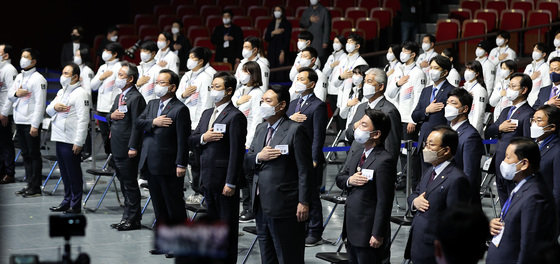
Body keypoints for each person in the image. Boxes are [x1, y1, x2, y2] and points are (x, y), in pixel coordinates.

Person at [245, 85, 312, 264]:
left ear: (281, 105)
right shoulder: (260, 128)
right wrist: (260, 156)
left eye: (267, 101)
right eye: (261, 101)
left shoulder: (295, 130)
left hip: (285, 206)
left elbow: (305, 170)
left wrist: (304, 202)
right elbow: (248, 160)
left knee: (288, 256)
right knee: (267, 257)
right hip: (260, 204)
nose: (262, 105)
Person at [189, 72, 247, 264]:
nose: (213, 90)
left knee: (226, 226)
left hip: (224, 181)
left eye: (217, 87)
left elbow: (236, 152)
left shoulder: (235, 116)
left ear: (229, 91)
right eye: (212, 86)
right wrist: (204, 137)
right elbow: (193, 139)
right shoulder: (207, 113)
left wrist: (231, 181)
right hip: (207, 177)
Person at [137, 69, 190, 255]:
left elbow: (183, 140)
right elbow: (138, 121)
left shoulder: (180, 109)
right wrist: (154, 122)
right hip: (151, 163)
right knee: (159, 206)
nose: (157, 85)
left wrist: (181, 164)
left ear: (172, 87)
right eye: (157, 82)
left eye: (162, 82)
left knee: (173, 206)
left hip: (169, 165)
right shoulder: (152, 104)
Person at [335, 109, 396, 263]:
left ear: (376, 134)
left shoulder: (384, 160)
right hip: (351, 229)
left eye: (363, 125)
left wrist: (377, 233)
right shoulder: (358, 154)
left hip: (368, 231)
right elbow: (340, 177)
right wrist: (350, 181)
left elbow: (384, 201)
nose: (358, 129)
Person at [486, 138, 558, 263]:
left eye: (508, 158)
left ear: (524, 164)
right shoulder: (522, 185)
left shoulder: (535, 197)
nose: (504, 162)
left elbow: (530, 248)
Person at [407, 126, 471, 264]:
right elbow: (415, 194)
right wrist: (414, 202)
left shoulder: (457, 178)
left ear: (446, 150)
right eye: (426, 144)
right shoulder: (430, 171)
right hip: (419, 245)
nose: (426, 148)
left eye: (431, 145)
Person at [286, 67, 327, 246]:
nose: (298, 81)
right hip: (294, 156)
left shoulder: (318, 105)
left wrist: (315, 157)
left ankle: (315, 231)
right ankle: (301, 228)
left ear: (311, 83)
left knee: (311, 195)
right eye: (297, 78)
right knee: (299, 193)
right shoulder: (293, 103)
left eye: (302, 79)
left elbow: (319, 134)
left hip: (309, 157)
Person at [106, 62, 146, 231]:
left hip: (127, 147)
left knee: (129, 184)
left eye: (122, 75)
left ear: (131, 79)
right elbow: (110, 116)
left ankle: (133, 218)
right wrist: (111, 116)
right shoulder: (119, 96)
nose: (118, 78)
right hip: (116, 145)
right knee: (123, 183)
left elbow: (138, 125)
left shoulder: (136, 98)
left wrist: (133, 146)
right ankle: (126, 217)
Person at [485, 73, 534, 206]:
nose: (509, 90)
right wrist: (500, 128)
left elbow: (527, 143)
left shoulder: (528, 113)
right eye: (509, 86)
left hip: (515, 167)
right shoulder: (506, 110)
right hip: (499, 163)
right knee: (502, 200)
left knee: (514, 202)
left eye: (513, 86)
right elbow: (489, 131)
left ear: (524, 90)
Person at [46, 63, 89, 213]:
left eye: (66, 73)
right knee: (64, 173)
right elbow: (49, 110)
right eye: (63, 72)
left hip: (71, 139)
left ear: (75, 77)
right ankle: (66, 201)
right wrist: (55, 107)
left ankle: (75, 204)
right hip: (59, 137)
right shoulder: (61, 92)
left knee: (73, 173)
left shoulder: (81, 93)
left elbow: (84, 120)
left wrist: (79, 141)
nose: (62, 76)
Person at [8, 48, 46, 197]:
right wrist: (17, 93)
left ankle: (36, 186)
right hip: (19, 119)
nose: (22, 59)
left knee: (33, 154)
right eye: (22, 56)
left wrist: (35, 125)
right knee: (25, 154)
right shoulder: (19, 77)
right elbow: (11, 96)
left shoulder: (38, 79)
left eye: (26, 56)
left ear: (33, 61)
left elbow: (40, 104)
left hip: (31, 122)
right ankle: (29, 183)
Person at [412, 55, 455, 175]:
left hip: (439, 143)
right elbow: (415, 115)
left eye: (436, 68)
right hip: (424, 142)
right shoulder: (426, 90)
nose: (432, 71)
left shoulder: (451, 91)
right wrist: (427, 110)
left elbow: (450, 120)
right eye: (430, 67)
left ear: (445, 72)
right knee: (423, 176)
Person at [232, 61, 264, 223]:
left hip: (248, 141)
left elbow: (257, 119)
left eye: (246, 71)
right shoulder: (240, 90)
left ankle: (250, 208)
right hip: (236, 138)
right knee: (240, 176)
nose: (242, 74)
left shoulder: (258, 93)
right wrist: (237, 102)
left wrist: (249, 142)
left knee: (248, 176)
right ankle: (246, 207)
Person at [346, 68, 402, 160]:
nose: (365, 85)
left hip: (374, 163)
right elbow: (348, 134)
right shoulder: (361, 107)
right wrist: (355, 126)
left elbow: (391, 147)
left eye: (369, 81)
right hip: (353, 160)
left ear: (381, 87)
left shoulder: (389, 111)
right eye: (364, 82)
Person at [386, 41, 427, 155]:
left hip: (408, 119)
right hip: (396, 116)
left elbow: (419, 98)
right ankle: (403, 173)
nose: (402, 54)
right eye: (402, 51)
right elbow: (390, 93)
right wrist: (398, 83)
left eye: (405, 51)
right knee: (397, 149)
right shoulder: (398, 69)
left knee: (408, 152)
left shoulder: (418, 73)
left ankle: (411, 173)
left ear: (413, 54)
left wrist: (413, 120)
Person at [445, 88, 484, 204]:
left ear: (465, 109)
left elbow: (469, 173)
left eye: (454, 103)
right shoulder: (447, 129)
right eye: (447, 103)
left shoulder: (470, 136)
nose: (448, 106)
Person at [91, 42, 123, 158]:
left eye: (107, 51)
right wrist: (101, 77)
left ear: (115, 54)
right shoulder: (102, 67)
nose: (104, 53)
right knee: (104, 135)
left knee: (114, 135)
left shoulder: (120, 67)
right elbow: (93, 86)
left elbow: (121, 89)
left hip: (113, 108)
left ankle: (116, 160)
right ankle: (109, 159)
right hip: (101, 107)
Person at [531, 105, 560, 223]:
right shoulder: (533, 144)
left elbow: (558, 190)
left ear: (552, 127)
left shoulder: (557, 150)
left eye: (539, 121)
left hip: (545, 211)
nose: (533, 124)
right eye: (533, 120)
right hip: (531, 205)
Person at [176, 47, 214, 130]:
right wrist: (183, 95)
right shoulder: (186, 75)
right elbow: (177, 96)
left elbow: (206, 102)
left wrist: (203, 124)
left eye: (192, 58)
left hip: (197, 122)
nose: (189, 60)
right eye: (189, 57)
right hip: (183, 117)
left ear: (200, 61)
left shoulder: (207, 77)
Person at [332, 33, 368, 109]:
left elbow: (360, 86)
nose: (348, 44)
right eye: (347, 42)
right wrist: (341, 77)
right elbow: (334, 83)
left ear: (357, 46)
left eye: (351, 42)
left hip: (353, 103)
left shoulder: (362, 63)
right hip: (340, 101)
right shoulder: (343, 60)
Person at [0, 44, 17, 184]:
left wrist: (4, 113)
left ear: (5, 55)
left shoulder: (10, 70)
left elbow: (11, 94)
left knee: (6, 143)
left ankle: (9, 173)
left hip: (4, 113)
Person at [265, 6, 292, 82]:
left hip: (281, 50)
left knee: (281, 72)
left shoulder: (287, 24)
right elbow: (266, 38)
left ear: (282, 12)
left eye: (279, 10)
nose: (277, 12)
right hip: (272, 50)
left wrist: (283, 52)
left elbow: (287, 40)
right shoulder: (271, 24)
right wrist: (273, 32)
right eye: (275, 10)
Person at [324, 35, 347, 122]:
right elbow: (325, 72)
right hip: (330, 90)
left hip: (339, 90)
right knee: (334, 113)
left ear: (342, 44)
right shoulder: (331, 57)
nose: (335, 44)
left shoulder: (345, 57)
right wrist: (331, 66)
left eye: (337, 42)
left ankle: (340, 132)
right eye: (334, 42)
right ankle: (337, 132)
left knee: (340, 113)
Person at [461, 60, 488, 134]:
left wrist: (473, 133)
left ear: (477, 74)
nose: (467, 72)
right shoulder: (464, 88)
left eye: (470, 69)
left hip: (472, 129)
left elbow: (478, 114)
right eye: (466, 69)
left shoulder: (480, 90)